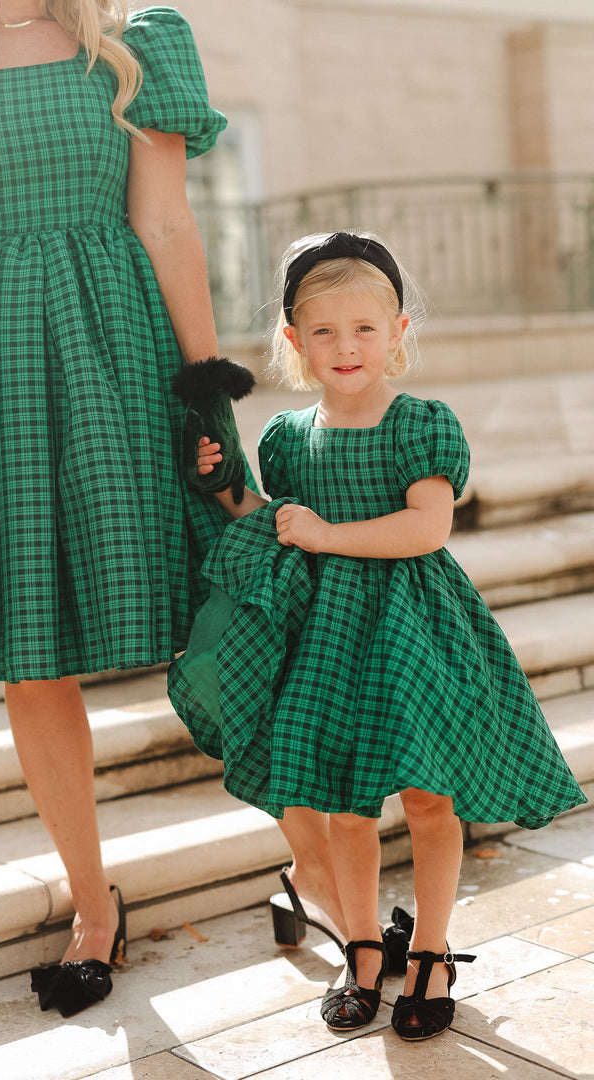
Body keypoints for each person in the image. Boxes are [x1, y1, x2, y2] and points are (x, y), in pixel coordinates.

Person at [0, 0, 240, 1018]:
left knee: (229, 581)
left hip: (119, 358)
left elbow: (164, 220)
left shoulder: (133, 46)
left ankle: (318, 849)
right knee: (34, 655)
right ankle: (92, 907)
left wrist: (206, 381)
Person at [168, 230, 587, 1040]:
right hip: (325, 639)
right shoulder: (289, 438)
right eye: (324, 331)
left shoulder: (420, 424)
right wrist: (227, 491)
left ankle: (429, 949)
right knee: (344, 804)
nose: (346, 346)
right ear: (294, 341)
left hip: (412, 631)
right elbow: (280, 525)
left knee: (431, 798)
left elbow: (426, 529)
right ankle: (363, 951)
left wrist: (326, 536)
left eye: (365, 328)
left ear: (398, 332)